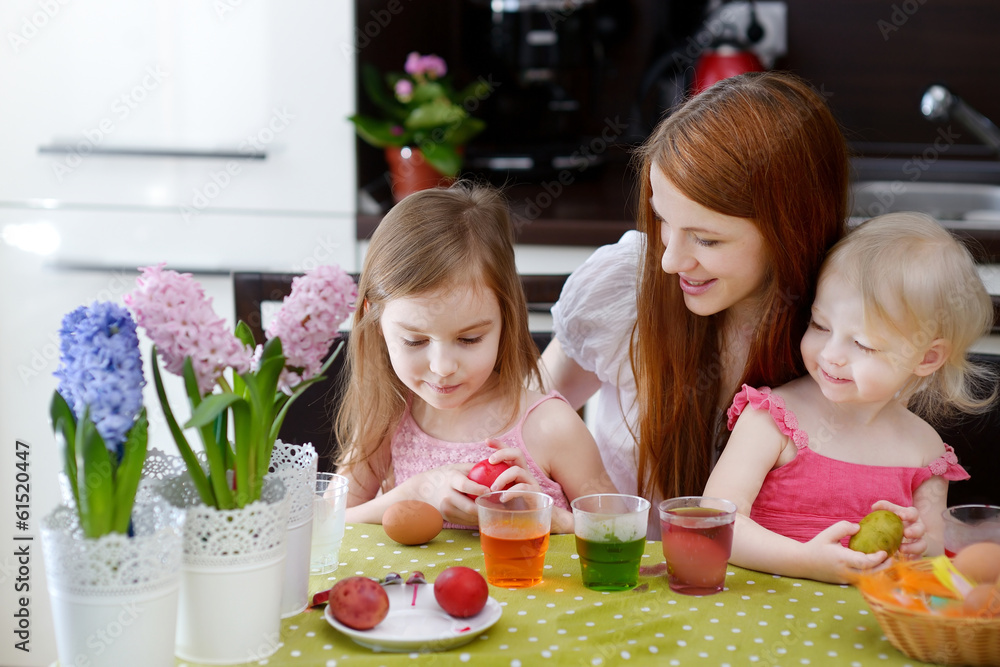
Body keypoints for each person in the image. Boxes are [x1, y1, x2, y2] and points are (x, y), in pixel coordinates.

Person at [541, 71, 850, 528]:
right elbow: (525, 420)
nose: (670, 262)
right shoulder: (624, 286)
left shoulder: (852, 317)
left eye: (706, 239)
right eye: (663, 220)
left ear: (792, 230)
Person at [704, 212, 995, 583]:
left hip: (868, 617)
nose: (831, 354)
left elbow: (933, 559)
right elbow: (716, 522)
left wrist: (919, 545)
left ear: (926, 358)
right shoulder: (771, 419)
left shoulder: (925, 452)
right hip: (764, 608)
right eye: (820, 325)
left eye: (863, 343)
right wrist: (804, 560)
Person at [335, 183, 617, 533]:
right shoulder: (389, 416)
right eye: (415, 340)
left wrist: (548, 517)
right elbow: (325, 523)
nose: (442, 367)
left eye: (469, 339)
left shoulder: (551, 426)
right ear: (374, 319)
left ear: (505, 318)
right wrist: (413, 494)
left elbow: (619, 531)